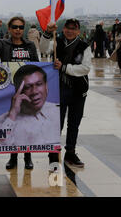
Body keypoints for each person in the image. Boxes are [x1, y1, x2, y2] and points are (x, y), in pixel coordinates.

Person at [0, 16, 39, 170]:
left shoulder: (29, 45)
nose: (18, 30)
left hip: (27, 89)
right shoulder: (3, 44)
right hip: (10, 89)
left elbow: (36, 63)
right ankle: (13, 156)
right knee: (14, 123)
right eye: (15, 27)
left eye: (21, 27)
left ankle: (28, 156)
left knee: (27, 123)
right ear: (9, 29)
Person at [41, 18, 91, 168]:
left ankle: (70, 152)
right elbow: (44, 49)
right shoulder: (57, 42)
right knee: (57, 124)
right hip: (59, 89)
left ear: (78, 31)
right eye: (67, 28)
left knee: (74, 124)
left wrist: (64, 67)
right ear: (63, 29)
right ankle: (53, 153)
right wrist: (48, 33)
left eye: (73, 28)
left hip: (78, 90)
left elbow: (85, 68)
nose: (69, 31)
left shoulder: (84, 46)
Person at [0, 65, 60, 146]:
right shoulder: (1, 121)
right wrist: (12, 115)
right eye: (27, 87)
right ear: (18, 92)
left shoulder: (56, 111)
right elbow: (0, 147)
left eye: (39, 84)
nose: (34, 91)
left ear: (46, 86)